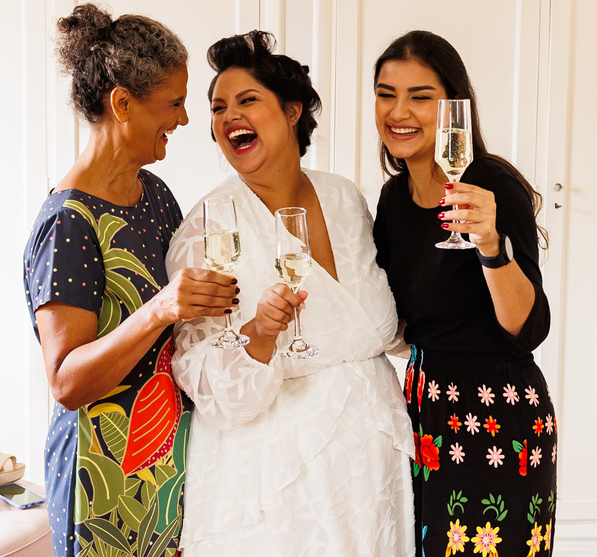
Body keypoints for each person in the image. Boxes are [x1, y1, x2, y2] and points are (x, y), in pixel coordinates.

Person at [168, 31, 414, 556]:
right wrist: (259, 333)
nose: (229, 116)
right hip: (276, 483)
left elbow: (384, 321)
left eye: (247, 100)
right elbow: (199, 376)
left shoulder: (345, 197)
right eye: (218, 108)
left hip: (370, 469)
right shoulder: (210, 227)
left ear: (292, 111)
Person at [22, 3, 238, 557]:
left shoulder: (156, 195)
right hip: (99, 479)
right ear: (122, 104)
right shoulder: (68, 222)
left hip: (166, 463)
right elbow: (67, 383)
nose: (184, 120)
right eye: (173, 103)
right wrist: (161, 308)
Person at [372, 31, 556, 557]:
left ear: (455, 108)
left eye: (420, 97)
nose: (399, 112)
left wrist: (492, 247)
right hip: (423, 408)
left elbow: (529, 328)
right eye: (386, 94)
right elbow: (390, 315)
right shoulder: (393, 199)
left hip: (497, 411)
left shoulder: (490, 186)